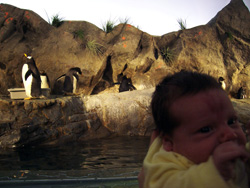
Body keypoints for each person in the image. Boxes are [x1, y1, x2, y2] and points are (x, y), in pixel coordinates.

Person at [139, 71, 250, 188]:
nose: (230, 134)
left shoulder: (230, 152)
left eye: (231, 121)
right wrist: (214, 171)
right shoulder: (162, 164)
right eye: (206, 129)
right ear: (168, 142)